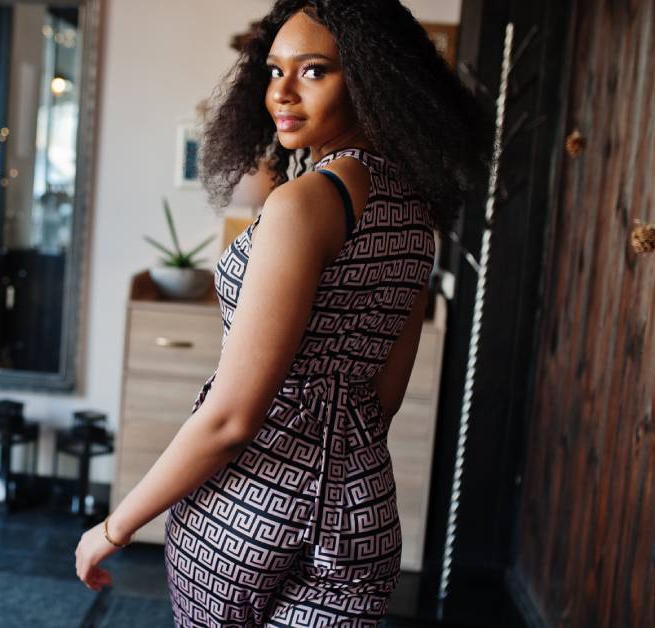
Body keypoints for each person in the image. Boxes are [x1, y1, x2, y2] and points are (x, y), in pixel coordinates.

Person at [74, 0, 488, 625]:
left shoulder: (305, 204)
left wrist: (115, 525)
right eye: (273, 71)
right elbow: (384, 395)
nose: (282, 93)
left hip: (246, 515)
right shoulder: (414, 212)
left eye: (314, 71)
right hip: (361, 511)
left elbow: (233, 420)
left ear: (374, 80)